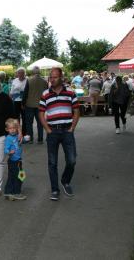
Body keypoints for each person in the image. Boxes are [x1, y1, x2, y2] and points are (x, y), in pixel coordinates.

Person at [39, 67, 80, 201]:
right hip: (53, 131)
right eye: (51, 77)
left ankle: (65, 180)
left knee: (72, 160)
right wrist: (47, 129)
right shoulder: (45, 94)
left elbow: (76, 111)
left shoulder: (70, 92)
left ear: (61, 77)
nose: (52, 79)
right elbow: (40, 113)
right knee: (52, 162)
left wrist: (72, 127)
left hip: (67, 130)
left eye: (55, 77)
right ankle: (54, 189)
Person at [22, 66, 48, 144]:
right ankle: (40, 139)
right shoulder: (44, 82)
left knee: (29, 123)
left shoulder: (29, 80)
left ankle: (30, 139)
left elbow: (25, 93)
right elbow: (47, 93)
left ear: (33, 72)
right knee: (40, 123)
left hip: (29, 104)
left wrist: (23, 103)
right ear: (39, 72)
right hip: (40, 105)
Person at [3, 118, 26, 201]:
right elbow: (5, 149)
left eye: (14, 128)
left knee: (20, 176)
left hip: (18, 160)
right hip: (13, 161)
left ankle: (9, 192)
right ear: (7, 129)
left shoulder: (17, 136)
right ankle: (16, 193)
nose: (12, 130)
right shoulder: (8, 138)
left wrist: (25, 139)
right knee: (17, 177)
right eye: (10, 128)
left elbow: (21, 141)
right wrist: (9, 152)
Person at [10, 67, 27, 137]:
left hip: (24, 101)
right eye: (19, 73)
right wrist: (11, 97)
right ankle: (17, 132)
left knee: (24, 117)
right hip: (16, 101)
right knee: (16, 118)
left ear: (24, 74)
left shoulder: (27, 80)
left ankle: (24, 133)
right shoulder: (14, 80)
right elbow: (11, 91)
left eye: (22, 73)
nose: (20, 74)